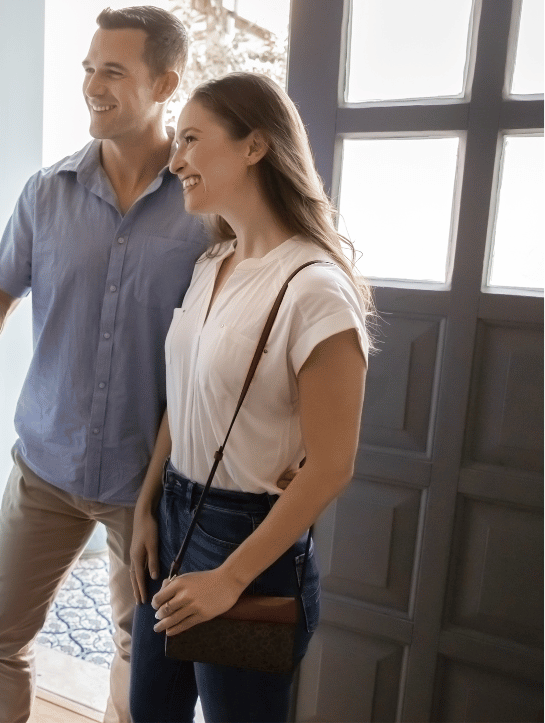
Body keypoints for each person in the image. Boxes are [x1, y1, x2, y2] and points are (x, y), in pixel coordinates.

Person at [0, 6, 207, 723]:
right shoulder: (46, 192)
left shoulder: (206, 207)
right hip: (45, 465)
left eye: (113, 70)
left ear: (165, 82)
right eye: (88, 68)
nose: (92, 84)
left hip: (146, 482)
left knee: (136, 646)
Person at [128, 72, 373, 723]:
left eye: (191, 139)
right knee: (150, 711)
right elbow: (182, 403)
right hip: (173, 513)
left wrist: (230, 577)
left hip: (247, 538)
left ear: (254, 146)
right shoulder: (214, 263)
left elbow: (331, 466)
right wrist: (147, 507)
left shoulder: (314, 288)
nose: (174, 159)